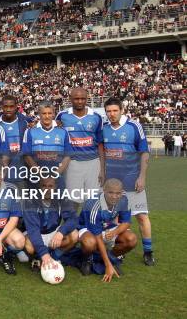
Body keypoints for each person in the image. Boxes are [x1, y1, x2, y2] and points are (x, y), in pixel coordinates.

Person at [103, 97, 155, 266]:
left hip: (132, 180)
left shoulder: (134, 126)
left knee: (141, 216)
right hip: (112, 184)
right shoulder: (104, 128)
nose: (112, 114)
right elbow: (102, 150)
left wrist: (142, 177)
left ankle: (148, 251)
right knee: (115, 218)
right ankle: (119, 250)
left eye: (115, 110)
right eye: (109, 111)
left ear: (122, 110)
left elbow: (144, 153)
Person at [78, 179, 137, 282]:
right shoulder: (93, 205)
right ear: (104, 190)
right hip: (88, 229)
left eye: (118, 193)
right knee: (90, 243)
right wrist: (108, 265)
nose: (114, 196)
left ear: (122, 192)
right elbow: (98, 237)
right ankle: (88, 259)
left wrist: (114, 232)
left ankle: (112, 257)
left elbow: (126, 222)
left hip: (108, 227)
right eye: (111, 192)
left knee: (131, 239)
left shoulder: (123, 200)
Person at [56, 88, 105, 203]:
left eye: (83, 99)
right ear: (70, 99)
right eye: (76, 99)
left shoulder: (96, 117)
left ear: (86, 99)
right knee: (72, 201)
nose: (80, 101)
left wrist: (102, 169)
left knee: (93, 200)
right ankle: (72, 221)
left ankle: (90, 221)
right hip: (72, 163)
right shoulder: (62, 116)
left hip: (93, 162)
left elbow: (100, 144)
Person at [23, 177, 78, 272]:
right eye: (44, 186)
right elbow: (33, 230)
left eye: (50, 186)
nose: (47, 189)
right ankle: (37, 258)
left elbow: (73, 219)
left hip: (53, 232)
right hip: (36, 233)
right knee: (28, 245)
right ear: (39, 187)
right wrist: (44, 253)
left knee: (75, 235)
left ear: (55, 187)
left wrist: (61, 233)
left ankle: (54, 256)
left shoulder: (61, 198)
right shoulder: (30, 201)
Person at [22, 102, 72, 190]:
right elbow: (27, 156)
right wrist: (42, 176)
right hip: (36, 179)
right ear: (39, 114)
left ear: (53, 114)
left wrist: (54, 177)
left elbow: (67, 157)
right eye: (44, 113)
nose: (47, 116)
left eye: (49, 113)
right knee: (35, 203)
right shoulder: (30, 132)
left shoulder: (63, 132)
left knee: (59, 203)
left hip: (58, 179)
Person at [0, 95, 30, 189]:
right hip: (1, 175)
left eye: (11, 106)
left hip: (20, 173)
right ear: (1, 107)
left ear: (16, 107)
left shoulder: (24, 123)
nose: (8, 109)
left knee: (21, 202)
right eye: (6, 106)